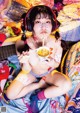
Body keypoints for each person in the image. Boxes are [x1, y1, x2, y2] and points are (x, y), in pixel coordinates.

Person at [2, 5, 71, 105]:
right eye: (38, 22)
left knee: (66, 84)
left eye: (47, 22)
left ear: (52, 25)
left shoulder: (55, 41)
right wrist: (25, 62)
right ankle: (39, 85)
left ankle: (38, 97)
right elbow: (25, 70)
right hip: (31, 74)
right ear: (30, 25)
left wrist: (52, 62)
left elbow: (56, 64)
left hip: (48, 73)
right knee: (10, 94)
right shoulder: (22, 43)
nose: (44, 27)